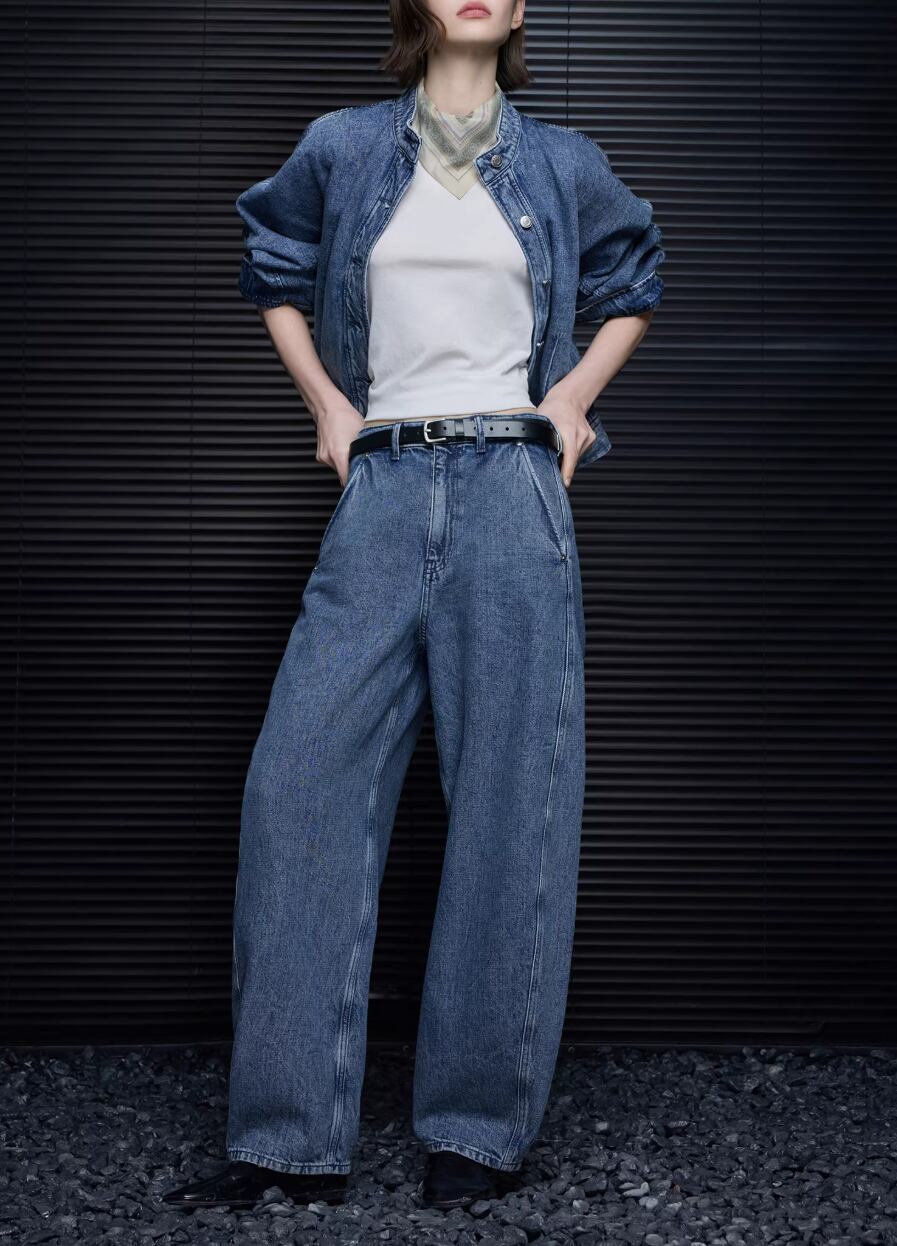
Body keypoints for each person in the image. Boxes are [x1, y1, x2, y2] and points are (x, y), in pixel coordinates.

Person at [163, 0, 664, 1214]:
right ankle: (286, 1141)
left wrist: (571, 403)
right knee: (300, 786)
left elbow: (633, 279)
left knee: (512, 800)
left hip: (511, 489)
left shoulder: (563, 161)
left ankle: (477, 1130)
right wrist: (329, 408)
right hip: (382, 487)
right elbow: (275, 263)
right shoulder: (343, 145)